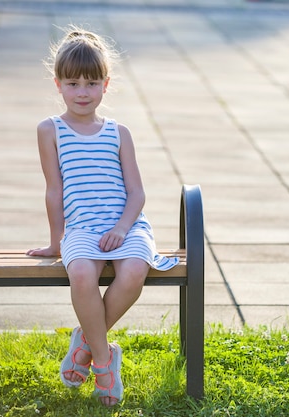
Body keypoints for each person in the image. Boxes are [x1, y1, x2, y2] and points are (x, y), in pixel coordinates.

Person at [27, 26, 178, 407]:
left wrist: (122, 228)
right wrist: (56, 240)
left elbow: (137, 193)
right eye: (73, 83)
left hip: (126, 225)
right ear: (58, 83)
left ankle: (86, 344)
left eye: (91, 83)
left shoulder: (118, 132)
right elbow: (54, 190)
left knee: (132, 273)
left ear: (105, 85)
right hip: (81, 227)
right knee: (81, 273)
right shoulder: (51, 130)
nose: (82, 92)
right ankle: (105, 361)